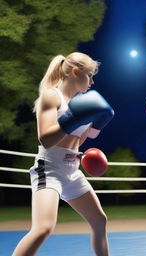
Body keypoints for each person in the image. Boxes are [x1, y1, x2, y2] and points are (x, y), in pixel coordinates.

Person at [13, 52, 114, 256]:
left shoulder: (80, 103)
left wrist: (94, 131)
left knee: (99, 220)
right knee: (43, 228)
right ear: (76, 72)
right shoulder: (52, 96)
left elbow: (78, 140)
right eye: (90, 75)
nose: (92, 81)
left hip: (72, 171)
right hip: (49, 170)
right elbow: (46, 139)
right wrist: (72, 119)